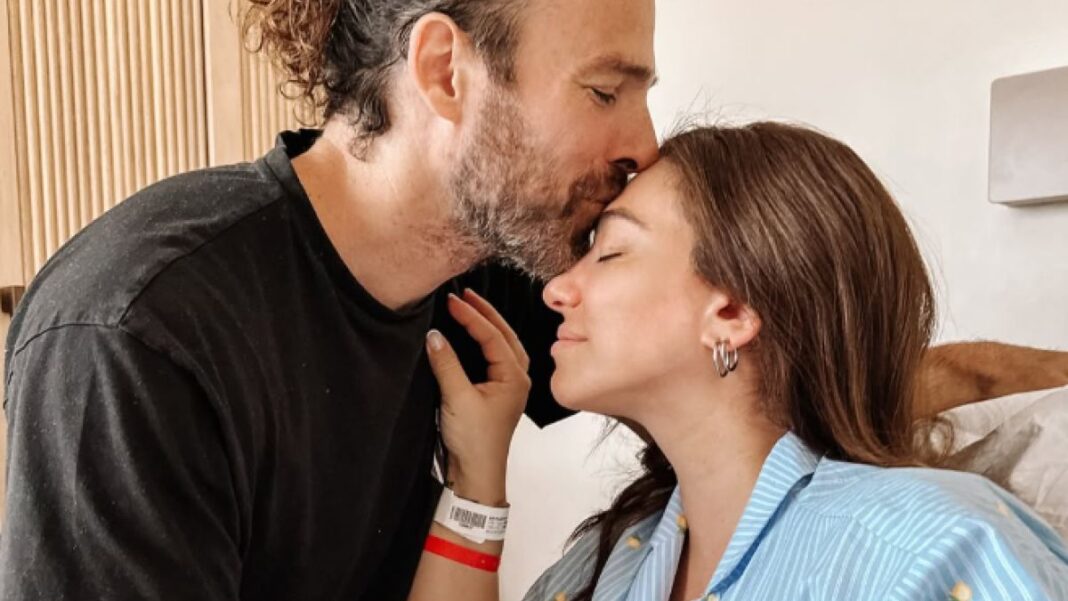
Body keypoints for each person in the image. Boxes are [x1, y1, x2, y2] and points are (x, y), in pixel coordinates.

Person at [0, 0, 1063, 599]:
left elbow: (788, 362)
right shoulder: (140, 330)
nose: (642, 143)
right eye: (604, 89)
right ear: (445, 72)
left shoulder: (499, 272)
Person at [410, 122, 1068, 601]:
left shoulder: (931, 549)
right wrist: (475, 479)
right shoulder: (608, 561)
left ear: (731, 310)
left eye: (610, 253)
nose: (557, 289)